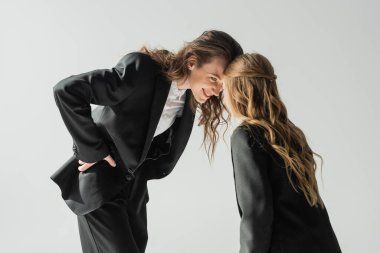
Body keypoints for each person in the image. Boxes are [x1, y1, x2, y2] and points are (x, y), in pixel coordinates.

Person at [51, 30, 243, 253]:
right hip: (101, 187)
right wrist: (91, 151)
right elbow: (67, 91)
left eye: (222, 84)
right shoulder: (142, 69)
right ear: (192, 62)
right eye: (214, 78)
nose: (217, 89)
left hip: (133, 194)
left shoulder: (188, 100)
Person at [222, 53, 342, 253]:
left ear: (237, 91)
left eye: (224, 89)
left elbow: (256, 215)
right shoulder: (290, 132)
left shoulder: (245, 137)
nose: (222, 97)